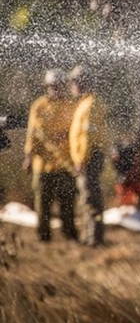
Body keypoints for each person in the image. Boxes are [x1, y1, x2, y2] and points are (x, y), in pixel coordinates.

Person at [23, 69, 78, 242]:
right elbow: (31, 133)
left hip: (65, 164)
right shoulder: (38, 106)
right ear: (46, 86)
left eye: (59, 85)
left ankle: (69, 233)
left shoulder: (71, 106)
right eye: (52, 86)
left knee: (67, 201)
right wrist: (28, 157)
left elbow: (76, 134)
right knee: (42, 203)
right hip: (42, 164)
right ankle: (43, 236)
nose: (56, 88)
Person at [68, 65, 111, 246]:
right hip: (86, 158)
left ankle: (95, 238)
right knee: (86, 197)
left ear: (83, 82)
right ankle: (89, 236)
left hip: (89, 158)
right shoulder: (85, 103)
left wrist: (82, 160)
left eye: (75, 81)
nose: (72, 85)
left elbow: (87, 135)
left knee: (91, 198)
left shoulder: (91, 104)